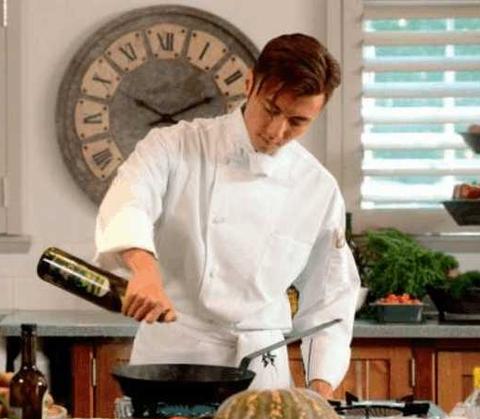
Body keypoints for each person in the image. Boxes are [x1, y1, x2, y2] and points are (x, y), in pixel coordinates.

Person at [95, 33, 360, 398]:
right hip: (175, 356)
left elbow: (330, 299)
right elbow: (129, 200)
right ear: (250, 84)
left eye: (297, 121)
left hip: (262, 366)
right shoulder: (176, 146)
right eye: (271, 109)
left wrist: (320, 392)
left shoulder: (317, 188)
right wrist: (144, 270)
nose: (277, 131)